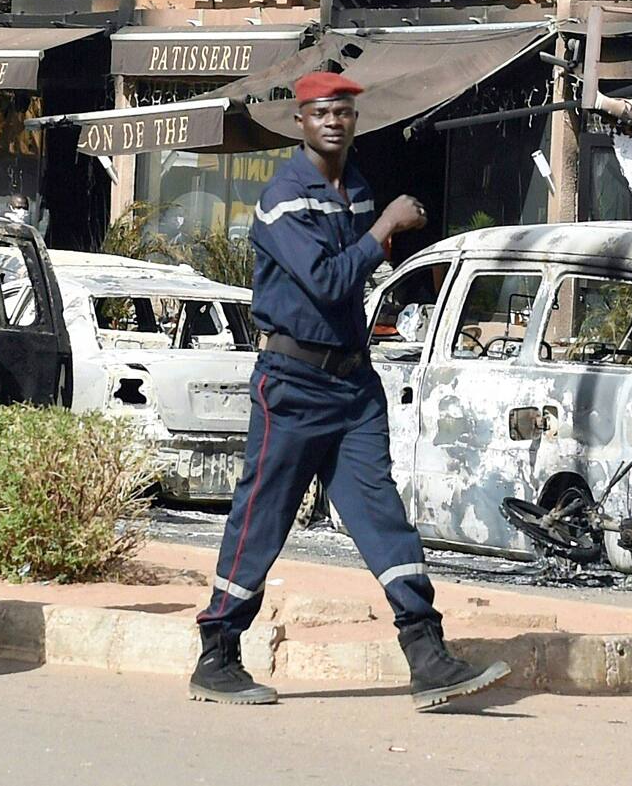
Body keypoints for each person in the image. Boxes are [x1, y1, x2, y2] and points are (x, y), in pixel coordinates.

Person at [188, 71, 509, 709]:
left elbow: (359, 267)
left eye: (345, 112)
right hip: (293, 382)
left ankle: (426, 653)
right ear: (301, 121)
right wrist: (384, 226)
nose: (335, 121)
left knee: (380, 512)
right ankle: (217, 651)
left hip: (354, 382)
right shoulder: (283, 196)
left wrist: (376, 234)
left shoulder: (355, 187)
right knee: (264, 515)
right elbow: (330, 282)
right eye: (322, 112)